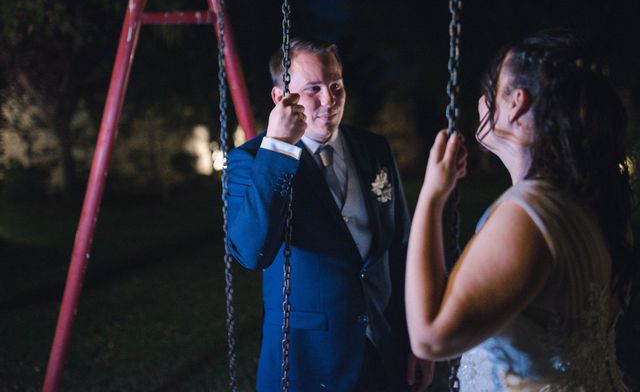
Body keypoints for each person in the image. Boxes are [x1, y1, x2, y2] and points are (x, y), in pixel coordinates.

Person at [405, 31, 634, 391]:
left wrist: (432, 197)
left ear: (517, 103)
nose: (481, 100)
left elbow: (430, 337)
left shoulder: (527, 215)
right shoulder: (592, 206)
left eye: (491, 86)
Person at [226, 38, 434, 391]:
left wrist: (418, 338)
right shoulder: (250, 161)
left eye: (336, 85)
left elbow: (400, 248)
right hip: (309, 360)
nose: (329, 100)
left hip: (384, 347)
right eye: (313, 90)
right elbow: (251, 251)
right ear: (281, 98)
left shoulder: (374, 148)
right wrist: (278, 148)